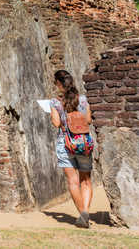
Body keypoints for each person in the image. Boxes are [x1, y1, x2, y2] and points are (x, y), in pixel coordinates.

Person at [50, 69, 94, 228]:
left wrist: (55, 115)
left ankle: (83, 214)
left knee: (73, 181)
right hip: (83, 142)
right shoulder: (83, 100)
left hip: (65, 142)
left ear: (59, 84)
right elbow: (88, 120)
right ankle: (86, 212)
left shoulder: (55, 102)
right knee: (86, 180)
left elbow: (56, 124)